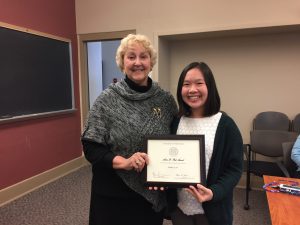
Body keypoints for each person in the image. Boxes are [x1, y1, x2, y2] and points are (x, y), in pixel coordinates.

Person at [81, 33, 178, 225]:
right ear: (122, 62)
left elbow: (175, 141)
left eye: (144, 56)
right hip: (112, 195)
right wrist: (124, 162)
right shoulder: (106, 100)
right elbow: (91, 148)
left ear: (151, 62)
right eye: (131, 56)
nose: (138, 62)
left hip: (150, 195)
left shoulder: (166, 101)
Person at [167, 62, 243, 225]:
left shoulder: (226, 125)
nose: (192, 89)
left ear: (210, 87)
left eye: (199, 83)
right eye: (186, 84)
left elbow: (235, 168)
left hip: (212, 211)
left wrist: (214, 192)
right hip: (180, 209)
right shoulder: (175, 122)